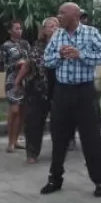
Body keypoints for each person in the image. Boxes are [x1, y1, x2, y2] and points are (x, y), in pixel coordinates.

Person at [42, 2, 101, 198]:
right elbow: (46, 60)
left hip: (85, 92)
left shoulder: (91, 33)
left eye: (62, 13)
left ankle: (99, 181)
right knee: (59, 138)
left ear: (74, 16)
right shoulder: (58, 35)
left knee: (91, 138)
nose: (59, 16)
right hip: (63, 92)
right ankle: (55, 179)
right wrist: (60, 55)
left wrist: (81, 55)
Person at [23, 17, 59, 164]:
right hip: (37, 89)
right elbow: (29, 64)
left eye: (56, 26)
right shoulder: (37, 46)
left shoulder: (64, 45)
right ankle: (32, 152)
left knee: (59, 122)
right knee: (33, 122)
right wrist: (18, 81)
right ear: (44, 30)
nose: (54, 28)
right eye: (50, 26)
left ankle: (59, 150)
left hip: (58, 88)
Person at [0, 20, 31, 153]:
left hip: (26, 80)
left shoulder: (25, 44)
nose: (19, 31)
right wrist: (15, 65)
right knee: (14, 111)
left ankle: (17, 140)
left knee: (23, 112)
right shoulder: (5, 46)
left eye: (20, 28)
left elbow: (31, 60)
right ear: (10, 31)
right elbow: (0, 67)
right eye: (16, 28)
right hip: (12, 82)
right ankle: (10, 142)